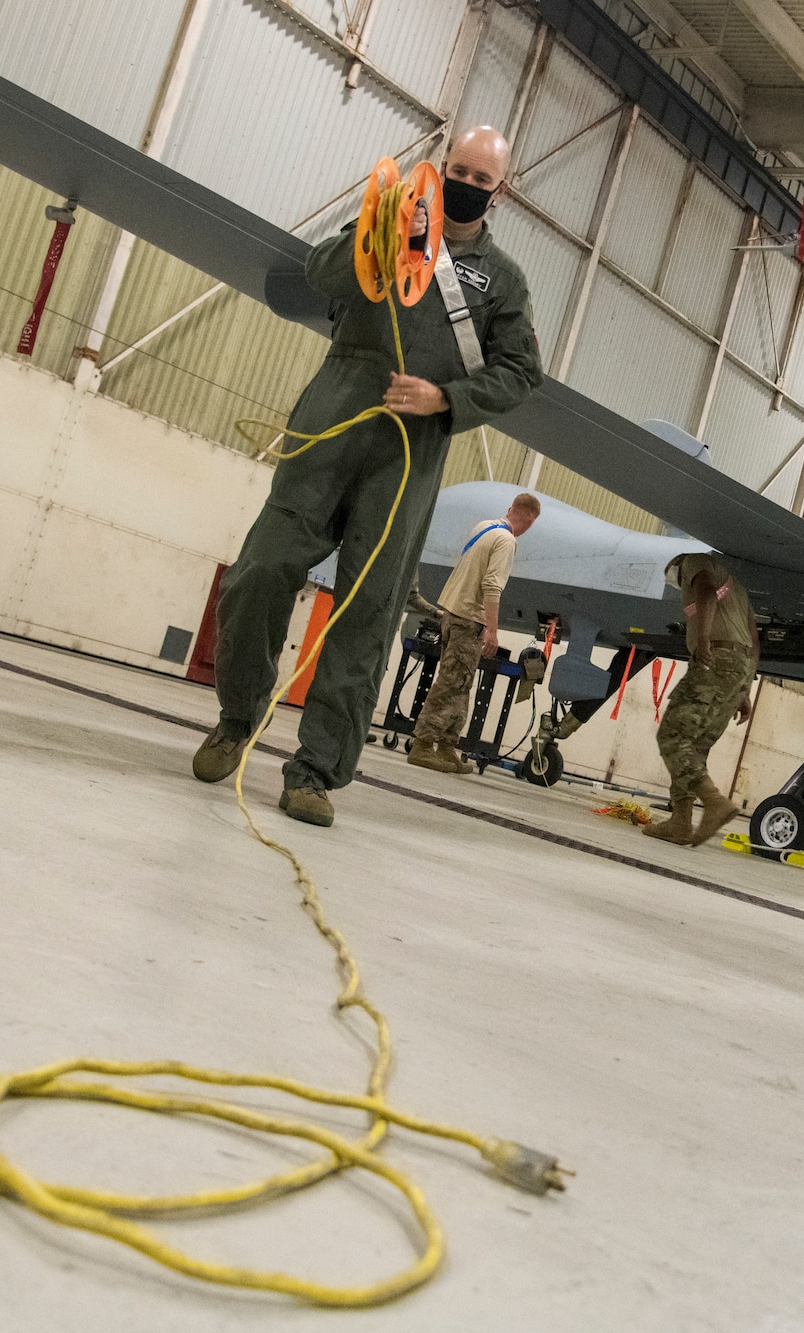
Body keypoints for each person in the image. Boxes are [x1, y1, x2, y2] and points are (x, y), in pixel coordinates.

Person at [190, 126, 542, 826]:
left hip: (411, 448)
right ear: (442, 169)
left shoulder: (502, 280)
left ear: (501, 189)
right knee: (260, 570)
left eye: (483, 176)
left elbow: (521, 371)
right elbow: (317, 272)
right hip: (333, 414)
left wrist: (447, 399)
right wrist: (387, 237)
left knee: (369, 607)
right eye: (458, 170)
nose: (468, 183)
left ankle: (315, 771)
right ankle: (237, 718)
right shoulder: (385, 219)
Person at [407, 493, 540, 773]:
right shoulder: (506, 541)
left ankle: (445, 747)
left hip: (453, 613)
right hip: (470, 618)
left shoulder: (485, 527)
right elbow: (492, 586)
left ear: (510, 509)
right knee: (451, 683)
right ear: (528, 520)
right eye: (530, 524)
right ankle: (422, 745)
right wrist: (492, 631)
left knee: (461, 684)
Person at [645, 552, 759, 847]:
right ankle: (680, 823)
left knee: (672, 736)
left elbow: (706, 591)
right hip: (740, 667)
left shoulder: (694, 562)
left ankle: (714, 803)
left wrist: (704, 639)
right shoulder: (737, 585)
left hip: (716, 659)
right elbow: (754, 637)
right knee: (695, 745)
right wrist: (744, 689)